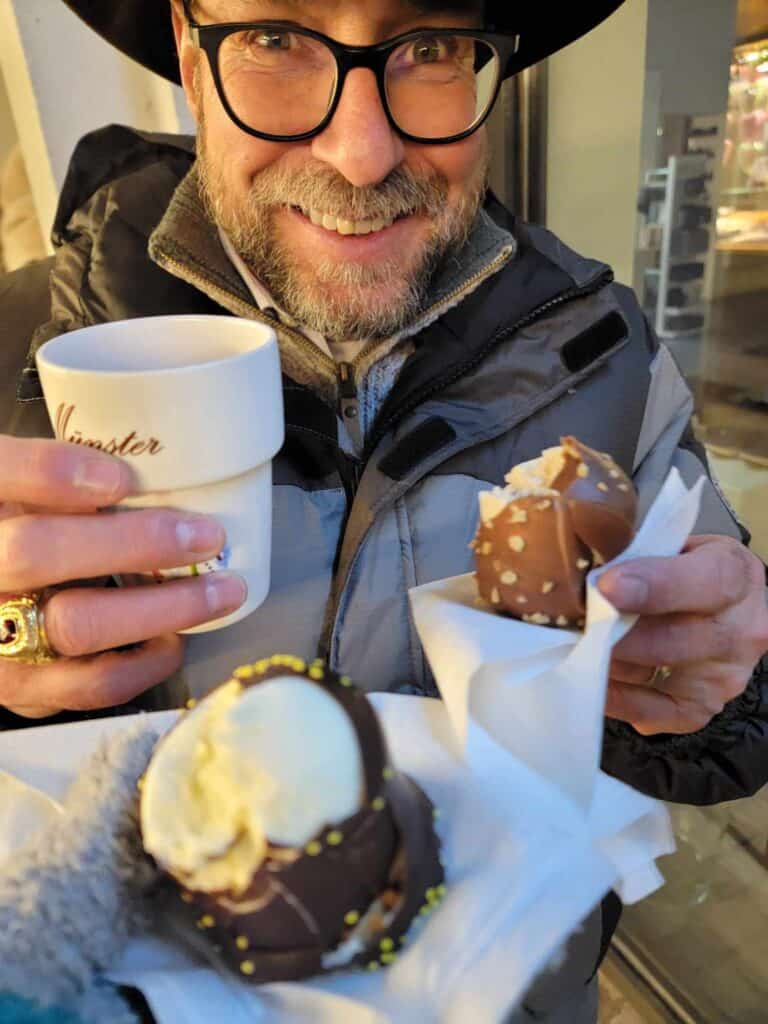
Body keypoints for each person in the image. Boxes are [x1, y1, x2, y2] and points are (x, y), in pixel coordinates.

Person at [0, 1, 767, 1020]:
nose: (361, 152)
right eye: (275, 37)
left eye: (432, 47)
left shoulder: (612, 360)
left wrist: (703, 671)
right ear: (192, 59)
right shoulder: (20, 345)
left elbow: (733, 726)